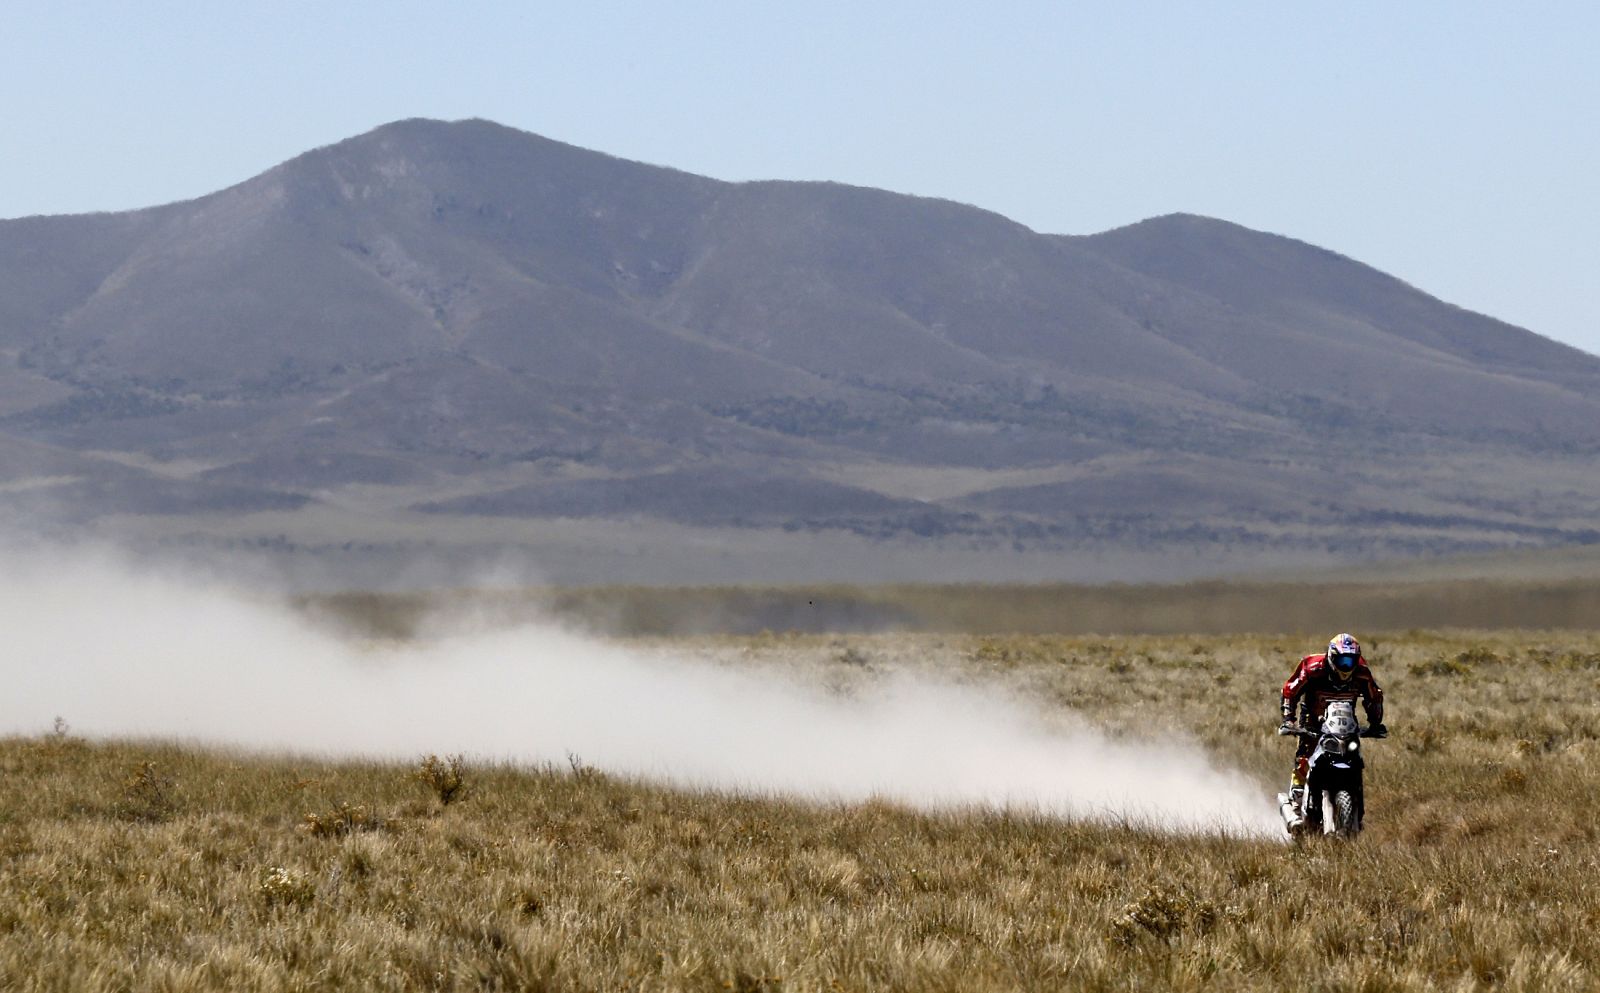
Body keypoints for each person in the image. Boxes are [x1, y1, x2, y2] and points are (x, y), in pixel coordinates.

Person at [1279, 633, 1386, 805]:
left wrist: (1375, 723)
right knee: (1306, 753)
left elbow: (1374, 697)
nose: (1346, 666)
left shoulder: (1362, 673)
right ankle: (1297, 794)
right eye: (1342, 661)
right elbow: (1290, 691)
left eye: (1351, 661)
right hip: (1313, 719)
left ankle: (1356, 802)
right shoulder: (1312, 668)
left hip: (1345, 722)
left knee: (1354, 756)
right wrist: (1288, 720)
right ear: (1331, 657)